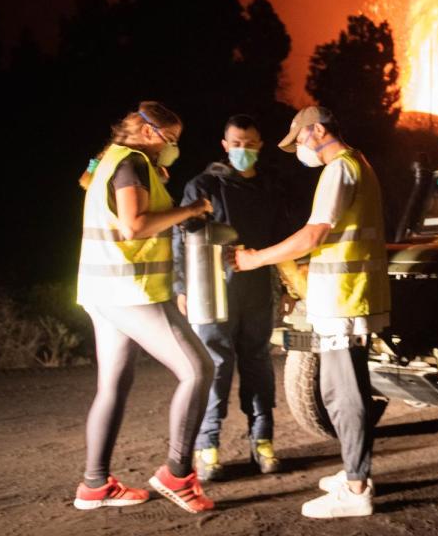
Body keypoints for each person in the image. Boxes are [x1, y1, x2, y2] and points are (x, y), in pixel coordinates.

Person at [234, 106, 390, 518]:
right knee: (338, 392)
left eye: (300, 139)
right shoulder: (359, 164)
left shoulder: (339, 169)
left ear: (318, 129)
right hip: (347, 296)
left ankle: (356, 487)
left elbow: (314, 233)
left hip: (346, 299)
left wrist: (257, 259)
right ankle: (354, 471)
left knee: (343, 395)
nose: (299, 149)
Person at [73, 101, 217, 514]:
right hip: (130, 289)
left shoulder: (112, 160)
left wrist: (158, 187)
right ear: (152, 133)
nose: (173, 149)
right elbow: (134, 225)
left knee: (113, 385)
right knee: (198, 369)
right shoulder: (133, 162)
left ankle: (95, 485)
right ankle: (177, 474)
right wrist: (189, 210)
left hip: (101, 289)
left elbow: (89, 184)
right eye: (172, 141)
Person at [172, 114, 281, 481]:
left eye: (250, 144)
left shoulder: (269, 188)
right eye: (236, 144)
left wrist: (288, 286)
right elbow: (181, 237)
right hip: (211, 290)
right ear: (224, 145)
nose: (243, 150)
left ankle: (263, 441)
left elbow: (282, 241)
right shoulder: (203, 185)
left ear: (261, 144)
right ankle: (208, 447)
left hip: (258, 292)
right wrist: (182, 286)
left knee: (258, 365)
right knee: (215, 367)